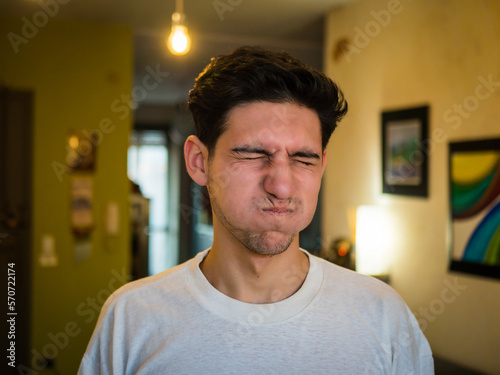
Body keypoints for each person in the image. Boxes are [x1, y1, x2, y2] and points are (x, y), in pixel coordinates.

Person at [78, 46, 434, 374]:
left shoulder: (384, 316)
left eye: (303, 159)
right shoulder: (131, 319)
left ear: (322, 166)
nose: (281, 185)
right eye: (253, 154)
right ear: (199, 162)